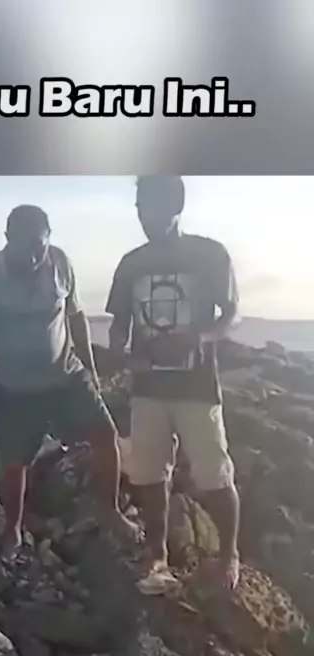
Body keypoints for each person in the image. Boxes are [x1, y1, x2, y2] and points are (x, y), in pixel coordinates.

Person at [0, 204, 138, 558]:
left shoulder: (60, 263)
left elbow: (76, 316)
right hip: (13, 387)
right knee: (15, 462)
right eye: (22, 246)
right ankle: (12, 528)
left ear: (48, 239)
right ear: (7, 238)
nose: (31, 256)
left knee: (106, 436)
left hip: (66, 376)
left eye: (37, 246)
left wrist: (90, 369)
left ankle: (110, 510)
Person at [106, 175, 241, 592]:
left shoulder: (210, 254)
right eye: (140, 209)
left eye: (152, 208)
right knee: (148, 474)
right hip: (148, 388)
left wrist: (199, 337)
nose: (145, 218)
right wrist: (122, 354)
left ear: (176, 206)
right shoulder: (131, 263)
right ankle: (156, 552)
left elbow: (230, 314)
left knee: (214, 474)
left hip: (197, 388)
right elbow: (119, 324)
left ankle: (229, 554)